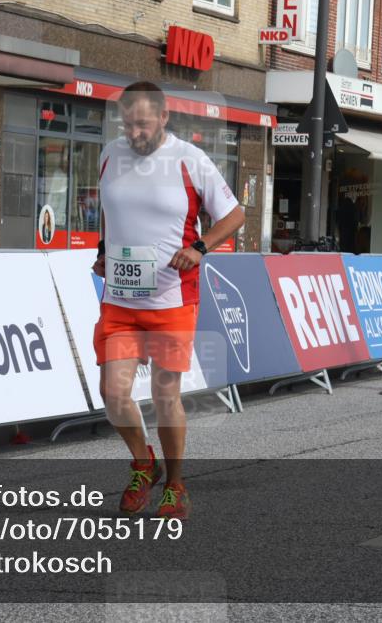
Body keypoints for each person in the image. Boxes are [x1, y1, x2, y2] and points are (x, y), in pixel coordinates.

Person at [92, 82, 244, 519]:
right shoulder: (109, 155)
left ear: (163, 118)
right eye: (128, 123)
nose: (135, 132)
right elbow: (111, 209)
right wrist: (104, 251)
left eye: (142, 124)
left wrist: (200, 247)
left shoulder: (190, 160)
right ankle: (144, 462)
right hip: (120, 299)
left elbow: (234, 215)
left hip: (172, 298)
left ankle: (176, 485)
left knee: (164, 394)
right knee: (112, 391)